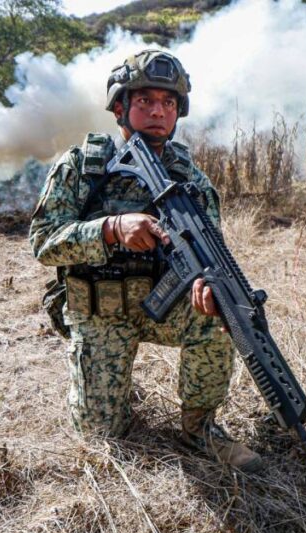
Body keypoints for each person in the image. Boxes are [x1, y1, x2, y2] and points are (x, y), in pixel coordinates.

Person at [29, 50, 262, 472]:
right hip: (99, 313)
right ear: (120, 107)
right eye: (145, 101)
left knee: (221, 315)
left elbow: (210, 252)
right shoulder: (82, 166)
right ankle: (107, 387)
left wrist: (206, 286)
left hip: (164, 306)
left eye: (169, 102)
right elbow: (44, 243)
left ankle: (200, 429)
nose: (158, 111)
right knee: (101, 437)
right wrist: (110, 228)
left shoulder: (189, 178)